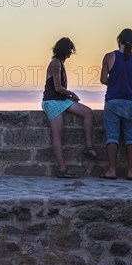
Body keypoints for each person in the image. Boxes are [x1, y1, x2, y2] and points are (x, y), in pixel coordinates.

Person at [42, 37, 100, 179]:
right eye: (70, 51)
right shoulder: (55, 63)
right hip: (52, 102)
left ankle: (89, 147)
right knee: (58, 136)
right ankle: (62, 169)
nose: (70, 54)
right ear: (66, 51)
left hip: (61, 100)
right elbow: (57, 87)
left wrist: (68, 97)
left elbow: (59, 90)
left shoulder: (61, 63)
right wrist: (71, 93)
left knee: (88, 113)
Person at [99, 28, 132, 180]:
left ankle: (112, 170)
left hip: (112, 101)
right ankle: (131, 171)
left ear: (118, 40)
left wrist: (114, 80)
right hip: (130, 102)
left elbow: (103, 80)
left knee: (112, 137)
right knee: (131, 138)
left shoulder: (109, 57)